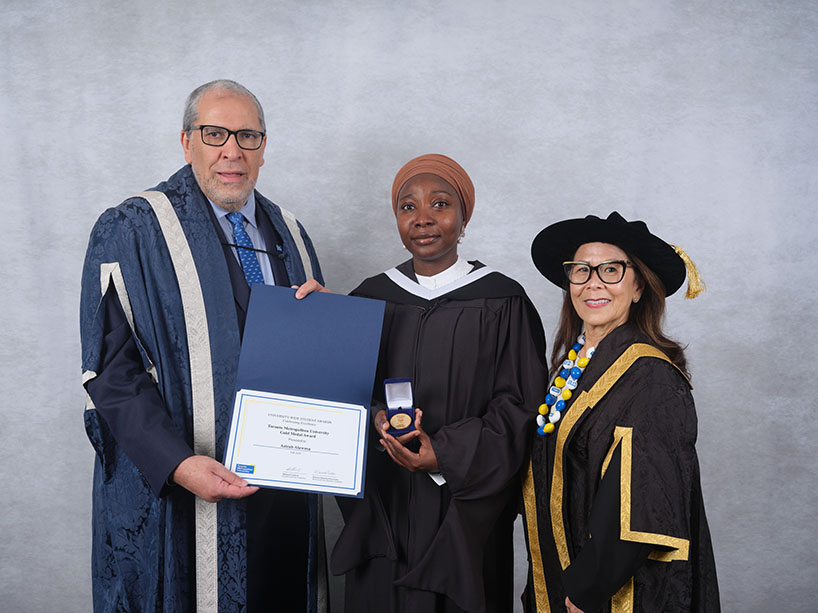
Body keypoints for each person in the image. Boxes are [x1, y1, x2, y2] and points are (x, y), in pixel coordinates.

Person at [80, 79, 328, 612]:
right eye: (214, 133)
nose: (231, 151)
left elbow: (310, 364)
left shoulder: (292, 235)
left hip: (280, 491)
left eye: (247, 136)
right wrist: (177, 464)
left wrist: (325, 323)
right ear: (186, 140)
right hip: (180, 490)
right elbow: (111, 372)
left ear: (264, 146)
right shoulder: (132, 228)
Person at [330, 153, 547, 612]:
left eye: (440, 204)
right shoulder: (370, 298)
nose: (423, 219)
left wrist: (443, 454)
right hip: (386, 507)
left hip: (461, 513)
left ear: (464, 217)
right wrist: (313, 316)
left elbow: (521, 409)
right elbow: (342, 391)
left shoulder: (503, 301)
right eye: (408, 207)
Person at [522, 212, 720, 612]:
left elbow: (640, 502)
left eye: (610, 270)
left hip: (614, 593)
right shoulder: (570, 368)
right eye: (581, 270)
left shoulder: (651, 378)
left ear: (637, 286)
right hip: (563, 577)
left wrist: (585, 590)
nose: (593, 282)